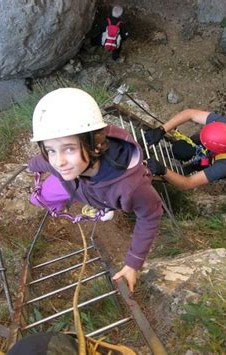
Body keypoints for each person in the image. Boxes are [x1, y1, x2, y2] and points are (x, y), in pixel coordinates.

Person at [27, 88, 163, 292]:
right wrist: (31, 166)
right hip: (75, 183)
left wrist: (133, 262)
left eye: (69, 149)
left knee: (106, 199)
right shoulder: (64, 165)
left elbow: (150, 215)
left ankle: (106, 206)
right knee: (38, 199)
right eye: (51, 150)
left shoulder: (131, 188)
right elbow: (48, 163)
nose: (59, 160)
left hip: (103, 193)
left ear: (96, 146)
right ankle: (95, 204)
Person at [144, 109, 226, 190]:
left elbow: (188, 184)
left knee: (198, 165)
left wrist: (163, 171)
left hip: (210, 161)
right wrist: (162, 130)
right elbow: (190, 113)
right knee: (181, 149)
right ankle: (171, 153)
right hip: (210, 151)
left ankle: (190, 167)